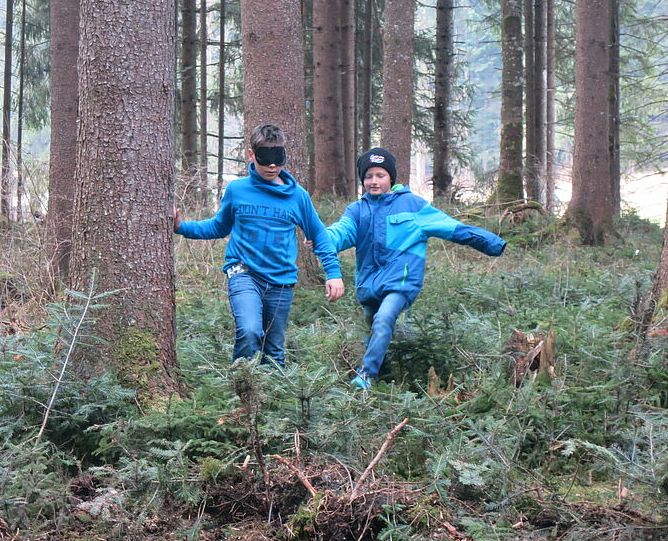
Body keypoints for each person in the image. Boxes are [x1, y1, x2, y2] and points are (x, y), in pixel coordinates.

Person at [322, 147, 506, 389]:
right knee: (373, 326)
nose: (374, 181)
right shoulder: (357, 210)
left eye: (380, 175)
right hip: (369, 284)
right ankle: (385, 373)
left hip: (401, 282)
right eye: (368, 176)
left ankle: (366, 376)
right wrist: (321, 238)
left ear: (391, 178)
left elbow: (452, 227)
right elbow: (341, 232)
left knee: (384, 318)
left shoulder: (412, 205)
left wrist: (493, 243)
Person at [174, 124, 345, 368]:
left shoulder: (298, 197)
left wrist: (334, 273)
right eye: (265, 159)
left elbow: (319, 235)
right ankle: (243, 388)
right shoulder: (237, 190)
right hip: (244, 273)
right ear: (252, 155)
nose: (272, 166)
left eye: (278, 159)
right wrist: (182, 227)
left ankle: (273, 401)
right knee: (250, 330)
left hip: (281, 282)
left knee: (274, 351)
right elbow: (219, 227)